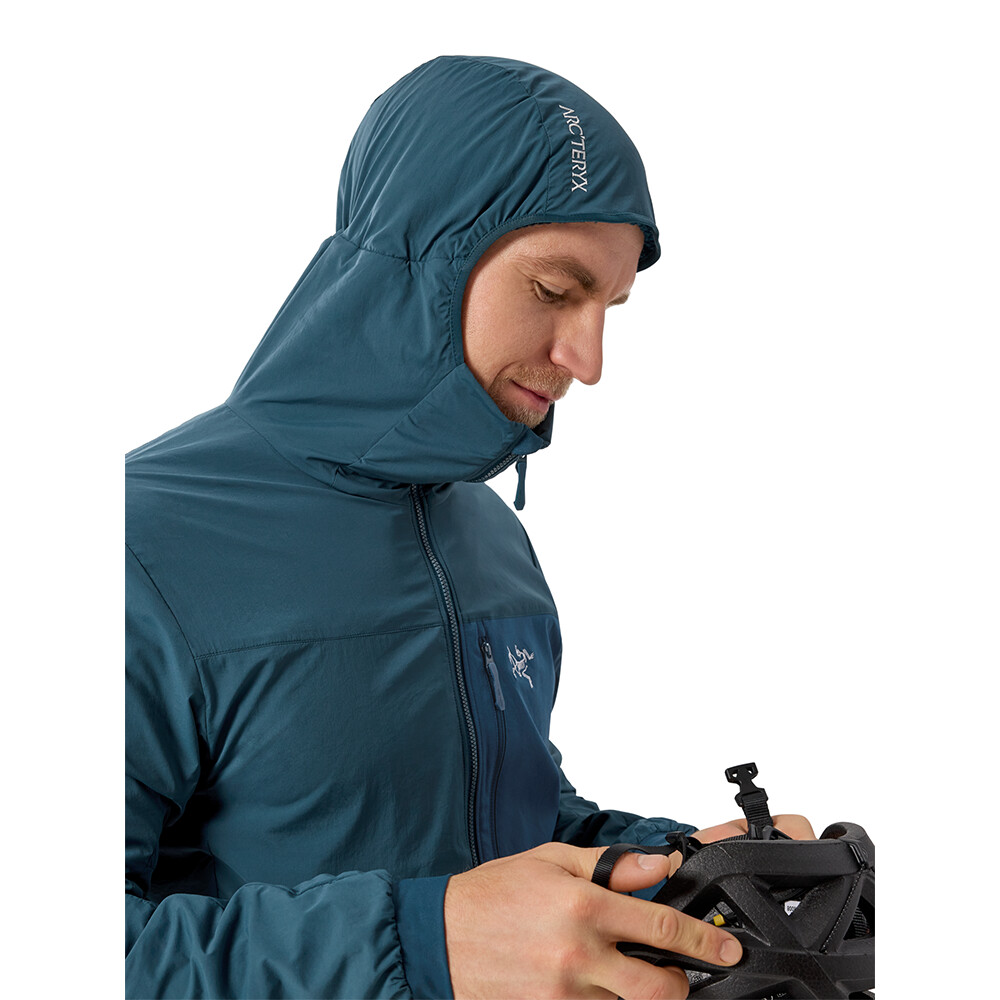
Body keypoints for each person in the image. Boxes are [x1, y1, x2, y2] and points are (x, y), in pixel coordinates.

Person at [126, 55, 812, 998]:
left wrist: (680, 875)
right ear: (425, 258)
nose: (589, 360)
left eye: (609, 309)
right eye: (554, 291)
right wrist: (419, 945)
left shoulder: (488, 538)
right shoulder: (136, 540)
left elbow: (506, 832)